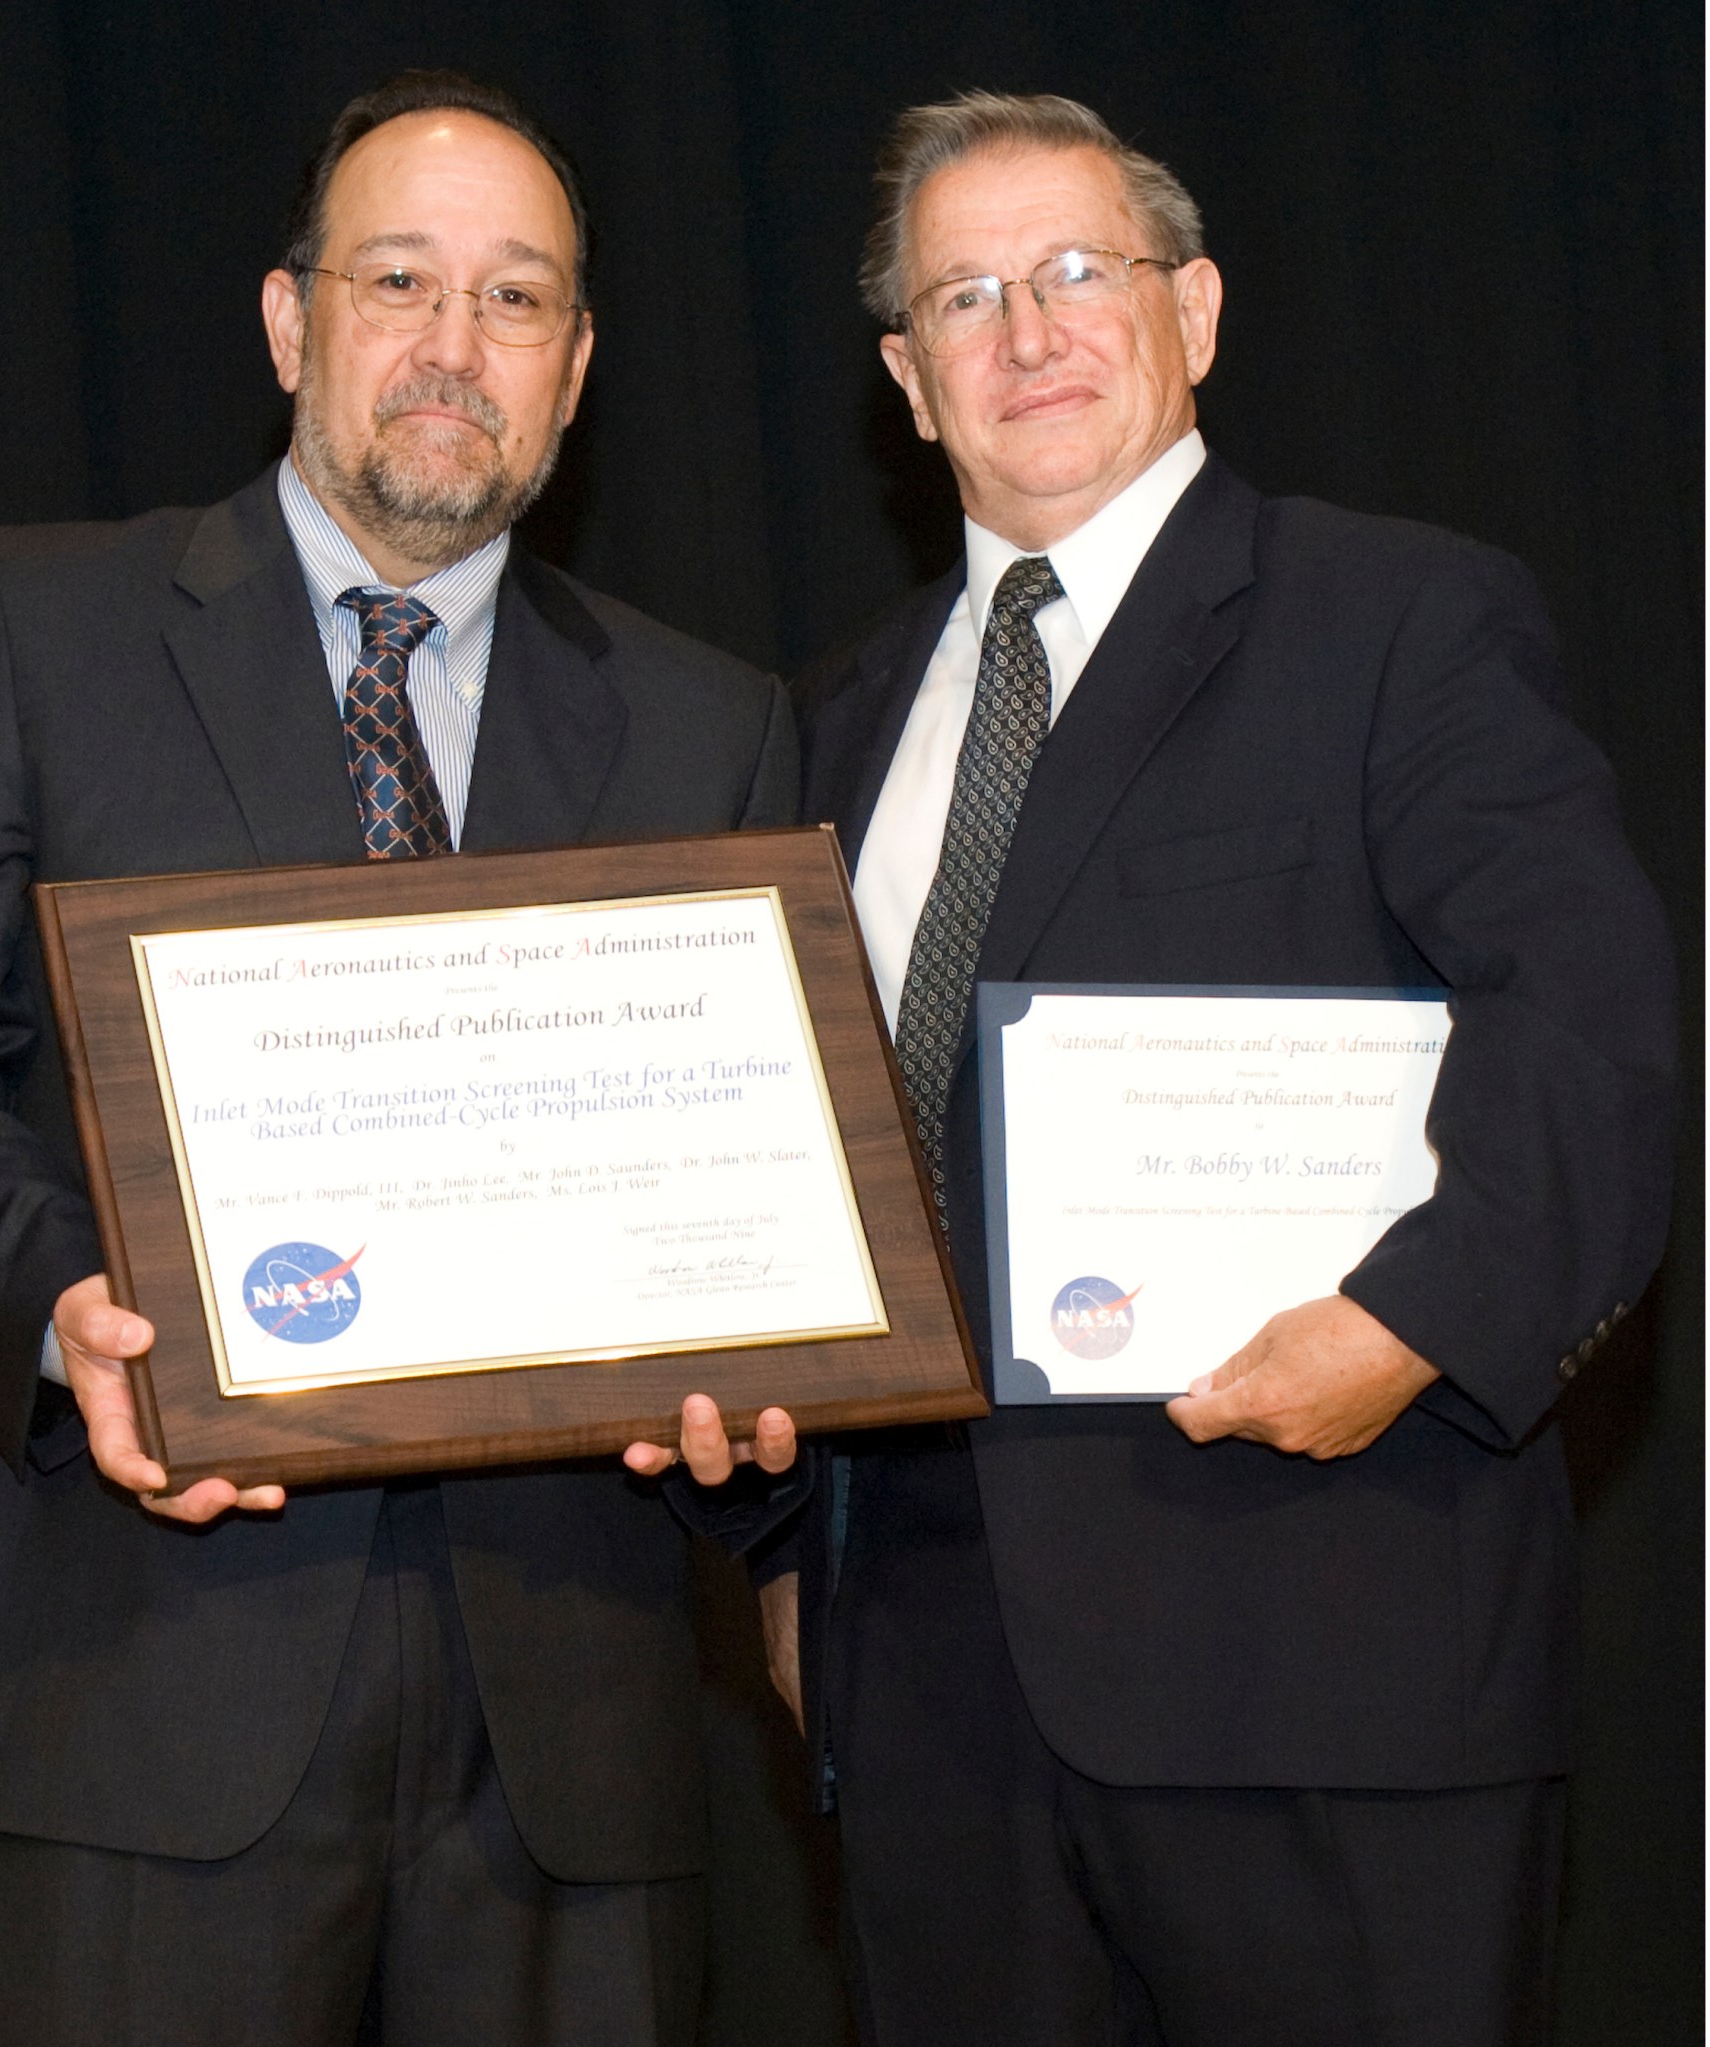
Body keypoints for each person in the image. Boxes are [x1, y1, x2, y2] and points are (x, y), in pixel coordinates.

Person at [0, 69, 797, 2047]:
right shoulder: (33, 624)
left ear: (576, 366)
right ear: (290, 321)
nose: (452, 343)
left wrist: (753, 1387)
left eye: (517, 301)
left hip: (562, 1751)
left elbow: (753, 1171)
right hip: (119, 1691)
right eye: (398, 279)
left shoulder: (711, 724)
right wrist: (53, 1312)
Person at [769, 90, 1677, 2047]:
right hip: (926, 1691)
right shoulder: (829, 724)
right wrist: (783, 1542)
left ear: (1197, 308)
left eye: (1081, 271)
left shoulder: (1399, 621)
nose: (1029, 331)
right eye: (967, 295)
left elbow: (1591, 1028)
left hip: (1319, 1637)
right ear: (907, 383)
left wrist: (1411, 1327)